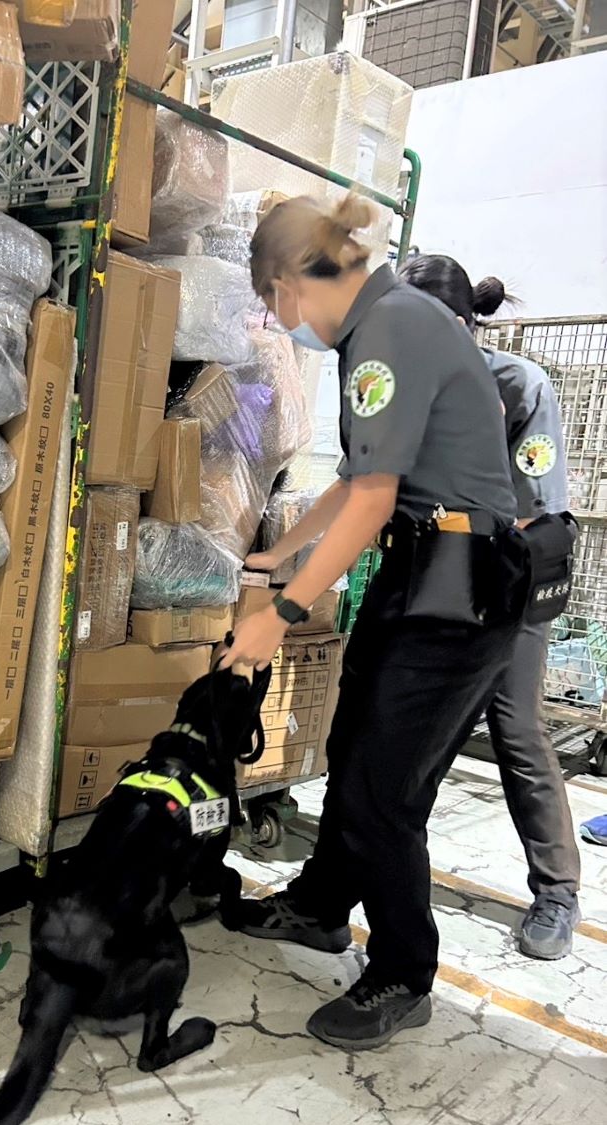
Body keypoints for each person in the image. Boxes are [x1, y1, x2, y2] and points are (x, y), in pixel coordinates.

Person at [219, 193, 521, 1051]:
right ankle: (319, 907)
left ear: (288, 286)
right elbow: (358, 481)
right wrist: (283, 554)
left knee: (384, 787)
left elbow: (375, 501)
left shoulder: (389, 329)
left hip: (460, 587)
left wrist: (279, 614)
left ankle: (402, 969)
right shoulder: (386, 324)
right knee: (354, 751)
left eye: (275, 309)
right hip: (422, 571)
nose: (284, 327)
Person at [398, 253, 581, 958]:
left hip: (513, 585)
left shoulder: (518, 385)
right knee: (411, 734)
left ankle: (558, 891)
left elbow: (539, 514)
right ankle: (360, 871)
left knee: (516, 727)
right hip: (440, 578)